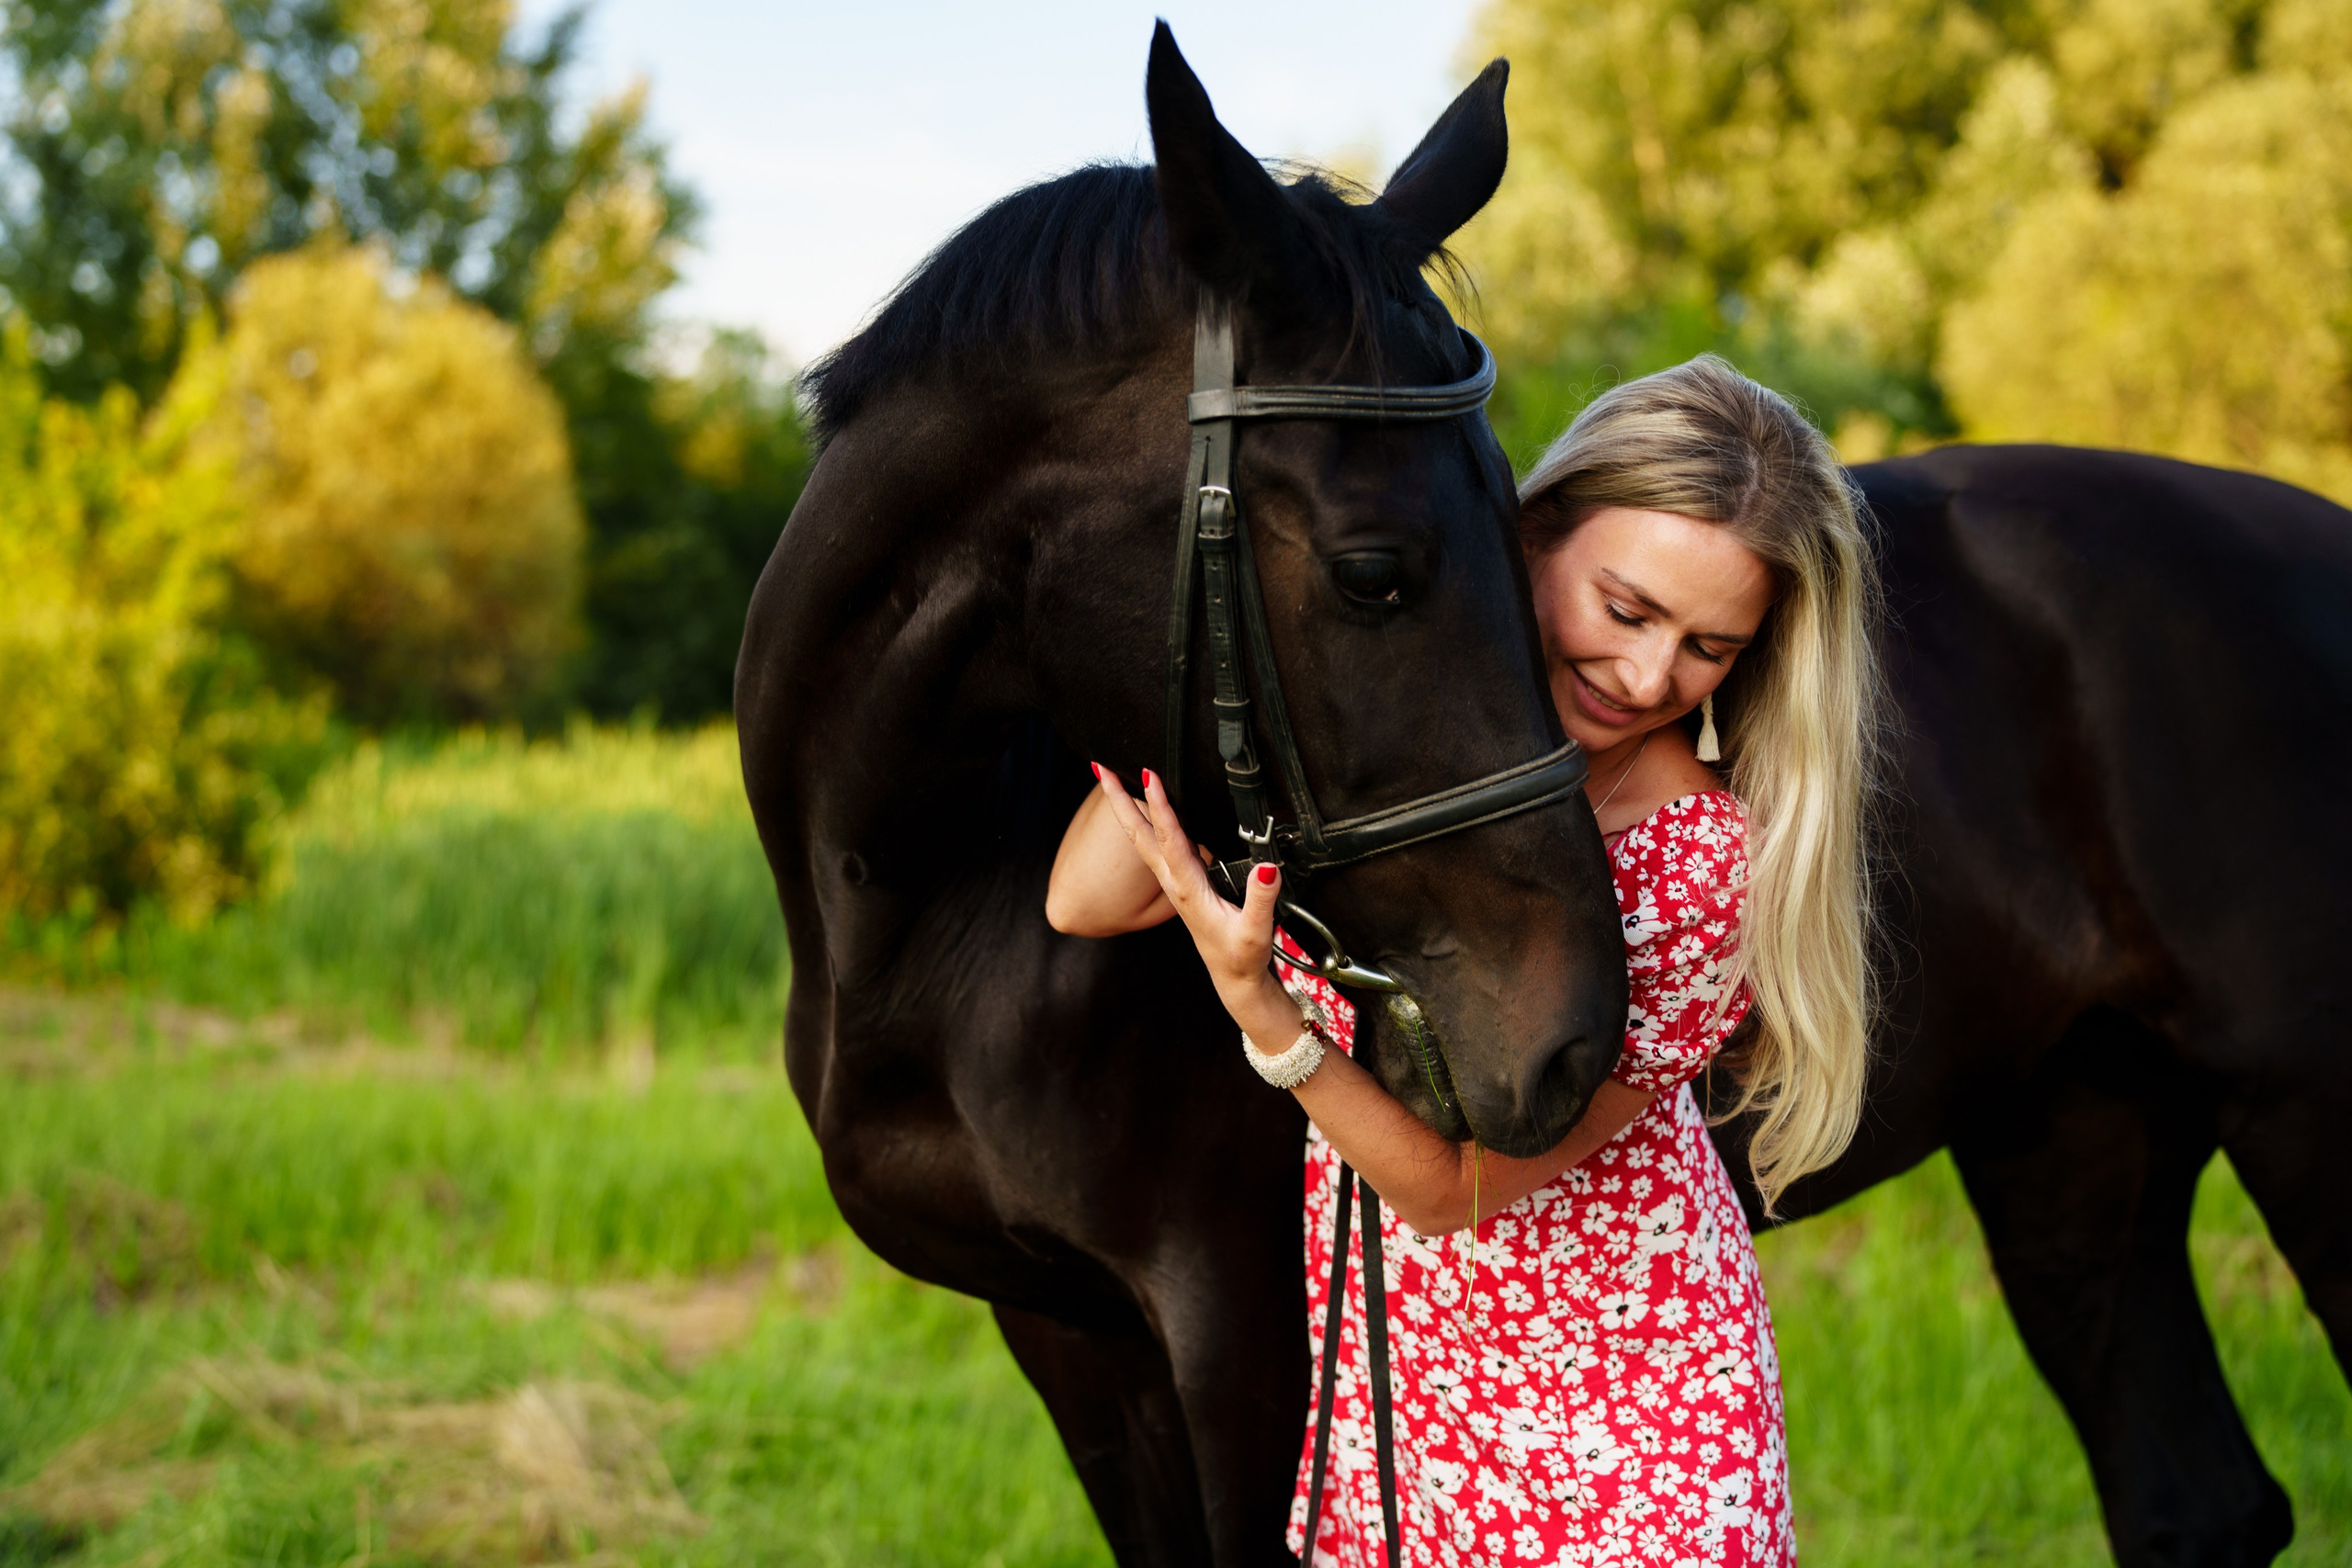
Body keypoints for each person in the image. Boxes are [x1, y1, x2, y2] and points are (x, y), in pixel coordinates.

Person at [1046, 355, 1880, 1567]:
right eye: (1626, 608)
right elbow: (1085, 896)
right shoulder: (1386, 748)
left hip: (1626, 1416)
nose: (1648, 678)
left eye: (1708, 647)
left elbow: (1452, 1193)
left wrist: (1263, 1009)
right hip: (1411, 1393)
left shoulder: (1701, 865)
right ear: (1523, 533)